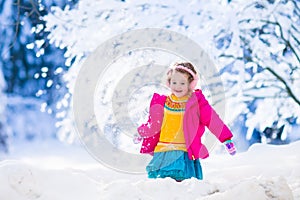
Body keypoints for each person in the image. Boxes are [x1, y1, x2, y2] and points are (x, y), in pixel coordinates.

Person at [135, 62, 236, 182]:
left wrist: (226, 139)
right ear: (169, 82)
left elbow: (212, 120)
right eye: (174, 82)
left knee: (181, 184)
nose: (177, 86)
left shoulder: (196, 103)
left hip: (183, 153)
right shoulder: (163, 102)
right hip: (163, 151)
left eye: (182, 83)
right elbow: (154, 124)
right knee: (163, 186)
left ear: (190, 84)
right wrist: (142, 133)